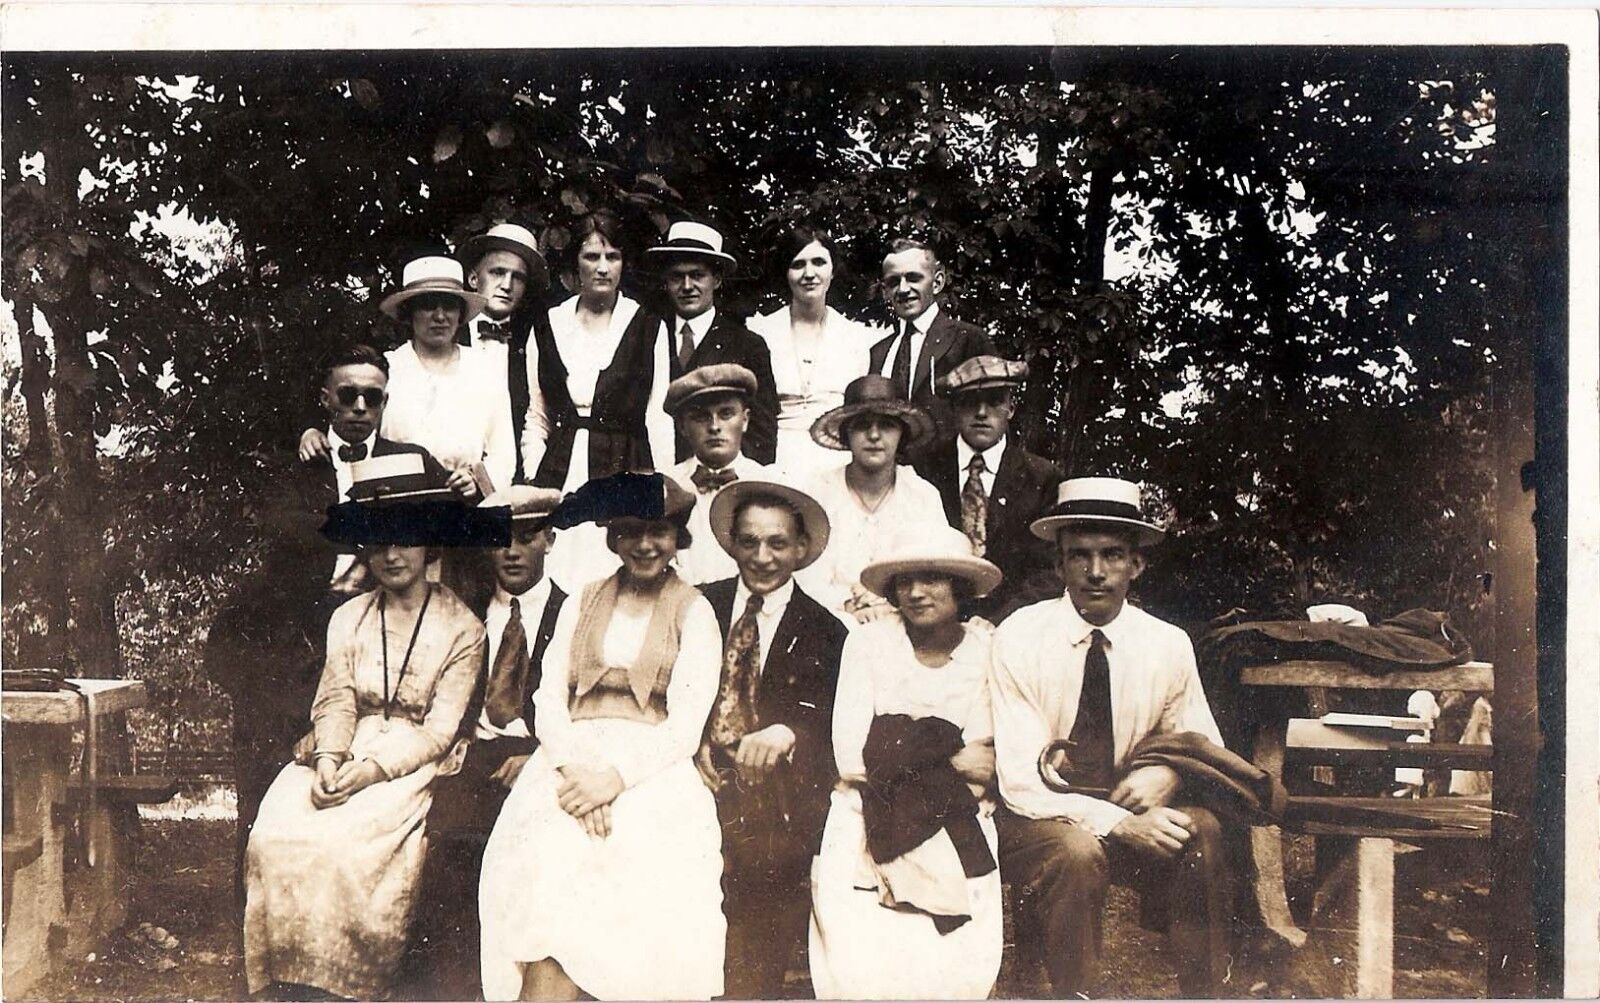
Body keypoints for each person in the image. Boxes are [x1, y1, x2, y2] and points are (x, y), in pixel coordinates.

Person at [208, 342, 450, 912]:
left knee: (351, 786)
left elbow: (443, 525)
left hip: (374, 638)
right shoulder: (295, 465)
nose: (361, 406)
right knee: (269, 777)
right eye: (349, 394)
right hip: (295, 634)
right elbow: (288, 537)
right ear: (326, 401)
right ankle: (256, 921)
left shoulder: (410, 459)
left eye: (374, 396)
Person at [242, 463, 487, 1001]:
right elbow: (335, 697)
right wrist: (330, 758)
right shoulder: (348, 616)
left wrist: (371, 772)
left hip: (408, 758)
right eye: (378, 542)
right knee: (275, 834)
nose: (392, 554)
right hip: (344, 745)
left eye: (405, 540)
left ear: (428, 546)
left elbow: (441, 729)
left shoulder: (463, 627)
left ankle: (348, 983)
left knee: (349, 850)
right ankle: (290, 981)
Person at [479, 476, 727, 1001]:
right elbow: (547, 698)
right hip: (569, 763)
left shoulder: (695, 610)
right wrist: (576, 773)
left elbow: (685, 726)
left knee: (632, 863)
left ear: (677, 538)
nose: (644, 545)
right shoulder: (583, 600)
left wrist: (612, 781)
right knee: (547, 862)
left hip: (651, 770)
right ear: (613, 537)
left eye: (658, 532)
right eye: (630, 531)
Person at [988, 477, 1233, 997]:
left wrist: (1167, 771)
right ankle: (1077, 993)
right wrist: (1120, 824)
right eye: (1079, 556)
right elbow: (1022, 781)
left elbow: (1205, 747)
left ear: (1136, 564)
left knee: (1203, 832)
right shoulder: (1019, 638)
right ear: (1058, 565)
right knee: (1076, 852)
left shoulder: (1166, 644)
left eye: (1112, 555)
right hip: (1036, 819)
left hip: (1128, 806)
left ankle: (1205, 991)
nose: (1095, 572)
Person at [808, 525, 1004, 1000]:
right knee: (859, 958)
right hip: (866, 808)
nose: (916, 592)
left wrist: (897, 742)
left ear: (958, 586)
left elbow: (985, 762)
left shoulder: (986, 650)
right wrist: (944, 751)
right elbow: (853, 756)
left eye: (932, 579)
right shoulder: (869, 642)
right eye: (905, 582)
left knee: (953, 964)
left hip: (955, 812)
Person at [405, 485, 568, 1001]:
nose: (512, 551)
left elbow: (578, 705)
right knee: (450, 847)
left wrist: (541, 755)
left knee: (535, 854)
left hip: (539, 756)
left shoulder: (575, 612)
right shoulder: (462, 612)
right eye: (499, 539)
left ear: (551, 539)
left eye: (527, 537)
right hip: (471, 754)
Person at [696, 479, 847, 999]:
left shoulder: (827, 630)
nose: (762, 557)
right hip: (692, 771)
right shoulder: (700, 605)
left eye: (778, 543)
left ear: (801, 549)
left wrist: (790, 731)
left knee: (765, 864)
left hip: (774, 790)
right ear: (732, 543)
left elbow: (833, 721)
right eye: (750, 542)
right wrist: (692, 744)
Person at [525, 210, 672, 590]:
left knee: (614, 576)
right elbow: (537, 415)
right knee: (557, 576)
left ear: (624, 263)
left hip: (625, 465)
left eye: (613, 257)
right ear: (575, 263)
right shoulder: (548, 325)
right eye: (592, 257)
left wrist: (662, 492)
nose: (603, 268)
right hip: (559, 469)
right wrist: (534, 477)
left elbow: (658, 416)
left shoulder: (647, 325)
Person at [299, 255, 515, 498]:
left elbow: (503, 452)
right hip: (396, 499)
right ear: (409, 312)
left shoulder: (485, 369)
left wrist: (477, 480)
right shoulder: (387, 368)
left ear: (461, 313)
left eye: (449, 306)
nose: (440, 316)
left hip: (464, 502)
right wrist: (312, 432)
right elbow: (354, 426)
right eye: (428, 305)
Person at [913, 355, 1063, 623]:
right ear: (955, 408)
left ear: (1011, 408)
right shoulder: (925, 468)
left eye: (994, 401)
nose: (982, 413)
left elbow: (1050, 570)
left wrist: (999, 622)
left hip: (1012, 624)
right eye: (970, 401)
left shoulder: (1041, 476)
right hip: (932, 622)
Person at [797, 375, 947, 622]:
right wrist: (846, 606)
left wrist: (890, 603)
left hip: (905, 623)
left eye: (886, 425)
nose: (874, 435)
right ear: (846, 435)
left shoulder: (923, 496)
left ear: (902, 434)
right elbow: (806, 576)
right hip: (829, 623)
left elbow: (934, 573)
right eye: (862, 425)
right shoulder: (819, 491)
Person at [646, 220, 779, 465]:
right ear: (666, 281)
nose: (687, 286)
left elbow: (762, 432)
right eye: (677, 277)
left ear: (716, 280)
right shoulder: (648, 337)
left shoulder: (747, 345)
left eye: (697, 275)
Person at [746, 226, 874, 476]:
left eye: (819, 262)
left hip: (838, 461)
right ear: (786, 272)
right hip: (774, 461)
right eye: (798, 264)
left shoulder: (857, 337)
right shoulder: (759, 331)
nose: (809, 274)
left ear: (833, 270)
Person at [662, 363, 774, 585]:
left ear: (745, 420)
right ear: (682, 427)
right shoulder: (665, 484)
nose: (714, 426)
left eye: (726, 414)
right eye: (701, 417)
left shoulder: (769, 485)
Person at [457, 222, 550, 480]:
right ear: (474, 278)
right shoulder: (448, 337)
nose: (507, 285)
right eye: (498, 272)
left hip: (515, 483)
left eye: (518, 277)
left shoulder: (533, 344)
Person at [867, 238, 993, 410]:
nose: (903, 289)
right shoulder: (878, 353)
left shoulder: (968, 339)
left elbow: (993, 414)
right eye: (893, 282)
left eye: (913, 278)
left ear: (937, 282)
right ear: (885, 291)